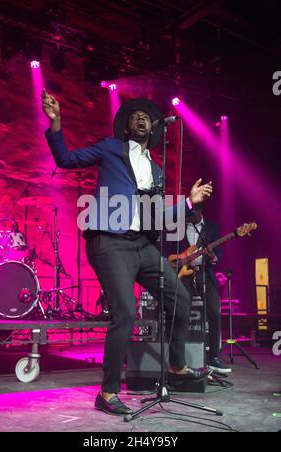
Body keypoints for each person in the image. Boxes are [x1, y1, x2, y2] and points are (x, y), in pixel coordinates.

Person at [42, 91, 213, 416]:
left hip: (141, 244)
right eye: (134, 116)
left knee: (179, 296)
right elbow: (65, 159)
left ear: (153, 128)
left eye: (146, 116)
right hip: (109, 240)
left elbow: (156, 217)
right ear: (126, 127)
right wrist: (56, 122)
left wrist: (189, 203)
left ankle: (176, 366)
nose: (140, 118)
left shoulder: (158, 171)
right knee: (126, 311)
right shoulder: (111, 149)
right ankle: (108, 392)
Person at [165, 205, 232, 374]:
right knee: (180, 312)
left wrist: (213, 257)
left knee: (214, 313)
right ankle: (178, 361)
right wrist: (177, 260)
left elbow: (219, 255)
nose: (187, 216)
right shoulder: (178, 228)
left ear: (199, 212)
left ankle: (214, 359)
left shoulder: (212, 227)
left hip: (204, 272)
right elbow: (168, 252)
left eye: (190, 213)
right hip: (184, 274)